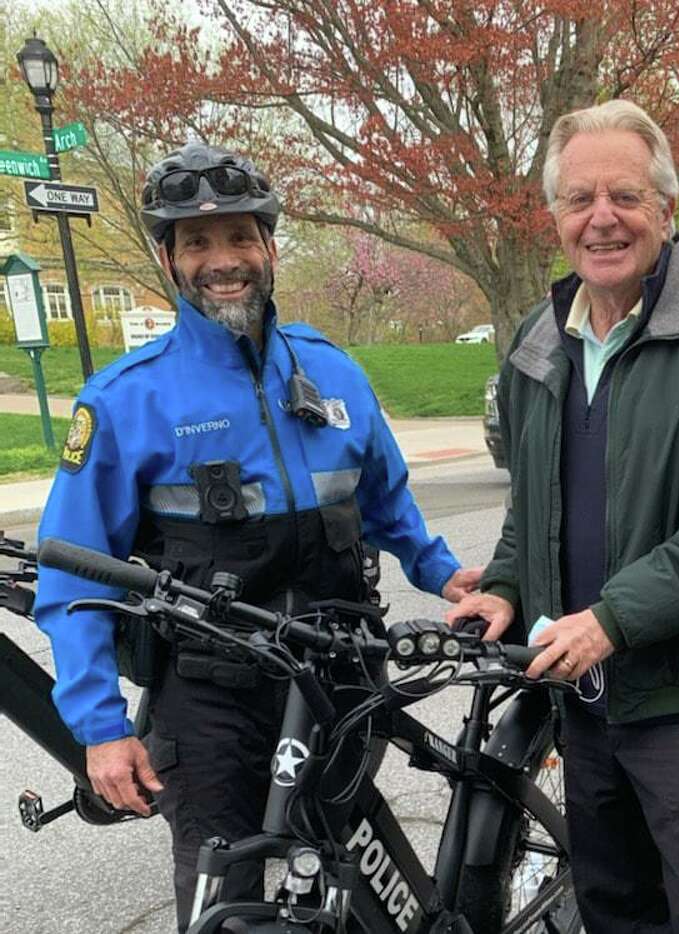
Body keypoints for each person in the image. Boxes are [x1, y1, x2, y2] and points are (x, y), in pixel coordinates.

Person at [34, 141, 480, 931]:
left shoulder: (333, 373)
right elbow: (75, 586)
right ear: (169, 261)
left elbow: (386, 500)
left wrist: (443, 573)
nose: (223, 260)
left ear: (270, 247)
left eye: (240, 237)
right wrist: (101, 730)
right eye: (197, 242)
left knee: (339, 881)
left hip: (342, 680)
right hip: (212, 706)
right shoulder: (125, 401)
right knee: (227, 905)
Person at [447, 99, 679, 933]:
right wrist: (502, 584)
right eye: (580, 199)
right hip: (583, 691)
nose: (602, 218)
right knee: (608, 902)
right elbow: (533, 506)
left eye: (627, 197)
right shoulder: (540, 338)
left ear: (668, 212)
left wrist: (611, 619)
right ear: (556, 217)